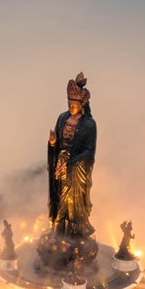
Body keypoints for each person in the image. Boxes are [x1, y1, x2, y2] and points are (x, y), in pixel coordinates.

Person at [47, 72, 97, 236]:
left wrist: (72, 161)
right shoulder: (62, 118)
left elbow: (89, 151)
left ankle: (76, 229)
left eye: (75, 104)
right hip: (61, 164)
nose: (71, 107)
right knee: (60, 194)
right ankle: (59, 227)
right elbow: (57, 143)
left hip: (77, 169)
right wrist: (53, 143)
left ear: (82, 104)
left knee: (73, 199)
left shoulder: (89, 125)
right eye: (69, 103)